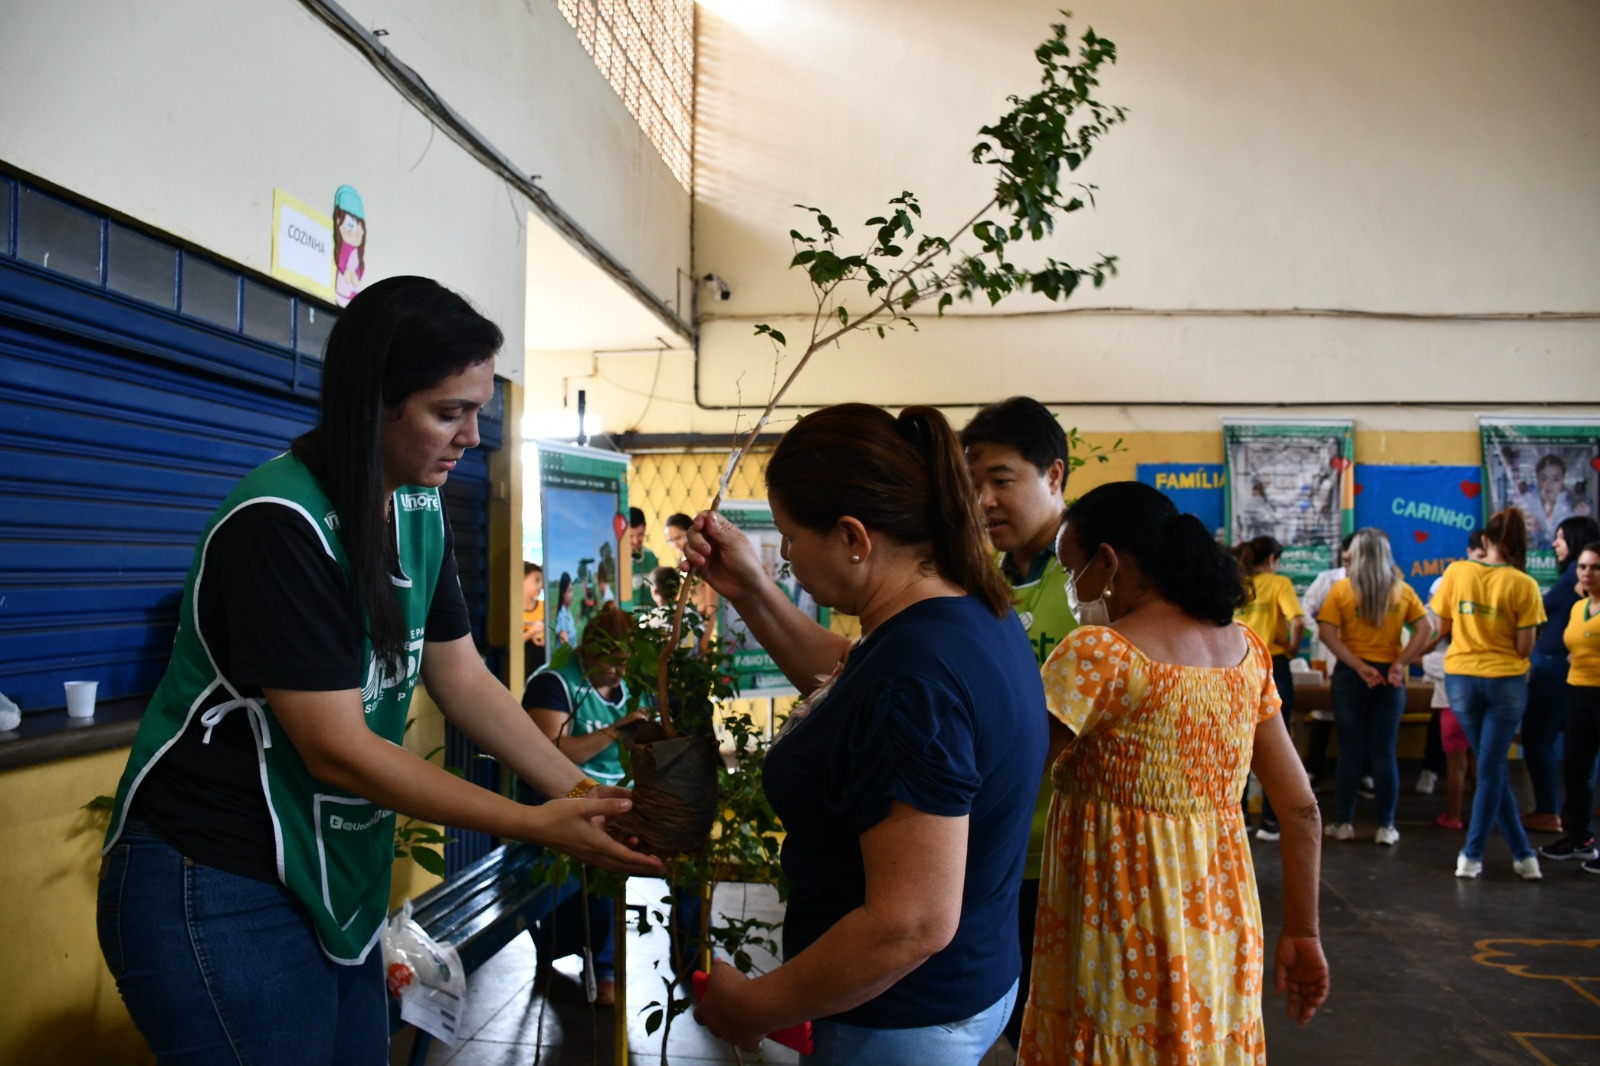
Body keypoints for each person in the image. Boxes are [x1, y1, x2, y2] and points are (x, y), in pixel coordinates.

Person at [95, 277, 660, 1064]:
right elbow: (338, 748)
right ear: (373, 401)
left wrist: (582, 796)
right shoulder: (280, 523)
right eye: (447, 412)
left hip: (329, 880)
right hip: (217, 877)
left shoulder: (416, 508)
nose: (471, 436)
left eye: (478, 409)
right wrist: (534, 820)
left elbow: (462, 678)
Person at [688, 403, 1045, 1063]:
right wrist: (753, 590)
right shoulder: (964, 616)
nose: (788, 560)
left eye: (791, 540)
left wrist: (755, 1007)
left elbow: (908, 925)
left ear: (853, 537)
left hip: (899, 1017)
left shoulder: (910, 679)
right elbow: (850, 687)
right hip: (970, 980)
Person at [1017, 482, 1328, 1063]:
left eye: (1069, 569)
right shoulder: (1246, 652)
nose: (1070, 587)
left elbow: (1005, 776)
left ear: (1107, 561)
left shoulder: (1099, 654)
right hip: (1221, 930)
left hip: (1118, 929)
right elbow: (1302, 809)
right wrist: (1304, 932)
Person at [960, 395, 1077, 1051]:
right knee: (1015, 1028)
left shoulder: (1103, 577)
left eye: (1001, 480)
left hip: (1077, 855)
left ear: (1053, 475)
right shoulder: (980, 584)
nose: (983, 502)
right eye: (973, 485)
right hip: (995, 853)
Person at [523, 606, 651, 1006]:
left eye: (625, 662)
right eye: (611, 661)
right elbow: (548, 752)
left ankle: (695, 949)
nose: (618, 671)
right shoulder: (553, 685)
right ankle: (606, 968)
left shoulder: (633, 687)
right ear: (589, 652)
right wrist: (615, 732)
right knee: (602, 860)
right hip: (565, 798)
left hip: (617, 800)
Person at [1430, 507, 1547, 880]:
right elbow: (1525, 648)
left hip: (1462, 679)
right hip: (1506, 681)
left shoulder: (1457, 572)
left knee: (1489, 765)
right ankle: (1473, 854)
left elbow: (1443, 626)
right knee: (1492, 766)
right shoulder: (1523, 584)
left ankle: (1523, 855)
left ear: (1485, 541)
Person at [1315, 528, 1434, 844]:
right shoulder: (1402, 591)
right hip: (1390, 678)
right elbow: (1426, 628)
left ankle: (1343, 823)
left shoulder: (1342, 590)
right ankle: (1386, 827)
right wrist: (1400, 663)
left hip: (1351, 675)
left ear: (1356, 555)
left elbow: (1326, 633)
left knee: (1350, 752)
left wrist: (1358, 666)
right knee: (1384, 753)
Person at [1522, 515, 1600, 833]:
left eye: (1561, 538)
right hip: (1567, 669)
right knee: (1581, 749)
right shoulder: (1575, 578)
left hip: (1560, 670)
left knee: (1537, 737)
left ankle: (1548, 810)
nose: (1555, 543)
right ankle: (1574, 816)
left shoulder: (1576, 577)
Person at [1233, 535, 1305, 840]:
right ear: (1273, 560)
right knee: (1277, 743)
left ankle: (1241, 817)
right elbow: (1298, 621)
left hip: (1236, 665)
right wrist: (1290, 648)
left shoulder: (1233, 580)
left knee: (1239, 740)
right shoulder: (1280, 584)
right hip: (1273, 666)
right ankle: (1271, 822)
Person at [1539, 541, 1600, 871]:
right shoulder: (1579, 607)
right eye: (1583, 567)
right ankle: (1581, 839)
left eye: (1595, 567)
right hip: (1579, 693)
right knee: (1576, 771)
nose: (1588, 573)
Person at [1300, 533, 1355, 788]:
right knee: (1322, 711)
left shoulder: (1374, 583)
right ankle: (1314, 770)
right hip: (1329, 652)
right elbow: (1306, 608)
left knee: (1356, 716)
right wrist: (1323, 634)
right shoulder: (1327, 579)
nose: (1348, 565)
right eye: (1345, 559)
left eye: (1353, 559)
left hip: (1359, 654)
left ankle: (1361, 774)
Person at [1514, 454, 1589, 550]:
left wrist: (1582, 521)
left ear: (1563, 480)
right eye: (1544, 479)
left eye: (1555, 479)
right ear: (1537, 479)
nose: (1549, 485)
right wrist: (1523, 526)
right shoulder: (1524, 503)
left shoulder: (1574, 506)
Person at [628, 506, 659, 610]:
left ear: (645, 527)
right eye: (630, 536)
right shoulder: (615, 561)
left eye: (640, 535)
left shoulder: (651, 557)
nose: (636, 541)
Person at [522, 561, 547, 679]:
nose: (541, 585)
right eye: (536, 580)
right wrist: (531, 633)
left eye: (541, 580)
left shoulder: (544, 607)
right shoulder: (514, 612)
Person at [553, 571, 577, 649]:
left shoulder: (568, 612)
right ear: (563, 594)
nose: (572, 594)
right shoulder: (562, 617)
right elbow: (566, 649)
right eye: (569, 591)